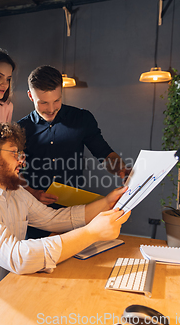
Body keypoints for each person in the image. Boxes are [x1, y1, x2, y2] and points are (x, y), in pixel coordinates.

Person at [0, 121, 130, 325]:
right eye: (14, 153)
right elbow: (16, 256)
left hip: (8, 289)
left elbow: (54, 219)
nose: (22, 161)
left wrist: (106, 202)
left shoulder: (13, 191)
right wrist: (91, 233)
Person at [18, 66, 130, 238]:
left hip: (74, 211)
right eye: (43, 102)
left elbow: (105, 154)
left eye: (56, 101)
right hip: (33, 212)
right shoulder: (20, 129)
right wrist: (33, 192)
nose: (51, 109)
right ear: (30, 96)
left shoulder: (82, 119)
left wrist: (120, 168)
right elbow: (13, 173)